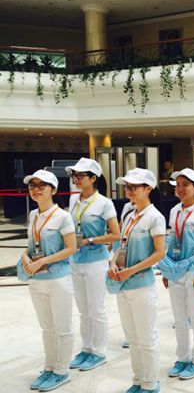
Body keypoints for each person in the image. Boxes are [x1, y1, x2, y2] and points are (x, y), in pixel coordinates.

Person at [107, 168, 166, 393]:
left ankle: (151, 384)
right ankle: (138, 379)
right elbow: (120, 246)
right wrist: (113, 263)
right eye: (128, 186)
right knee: (132, 337)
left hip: (141, 285)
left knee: (146, 337)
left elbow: (159, 253)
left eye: (134, 186)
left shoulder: (155, 217)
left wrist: (131, 270)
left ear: (148, 188)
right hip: (123, 284)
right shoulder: (130, 215)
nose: (129, 190)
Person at [18, 169, 77, 392]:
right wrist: (25, 257)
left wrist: (43, 261)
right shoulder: (33, 215)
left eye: (41, 186)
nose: (35, 190)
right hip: (36, 278)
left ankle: (62, 371)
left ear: (53, 190)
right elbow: (30, 246)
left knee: (62, 327)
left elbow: (71, 248)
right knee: (47, 327)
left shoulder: (62, 216)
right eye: (32, 186)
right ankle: (50, 367)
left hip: (58, 279)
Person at [65, 158, 120, 372]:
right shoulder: (73, 200)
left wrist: (90, 240)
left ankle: (98, 352)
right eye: (75, 175)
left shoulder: (104, 203)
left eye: (81, 175)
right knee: (83, 310)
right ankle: (86, 348)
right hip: (76, 261)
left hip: (96, 262)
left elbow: (115, 234)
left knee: (96, 309)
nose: (76, 179)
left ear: (93, 178)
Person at [160, 168, 194, 380]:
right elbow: (172, 240)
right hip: (175, 269)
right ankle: (183, 357)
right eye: (178, 185)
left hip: (193, 270)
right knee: (179, 319)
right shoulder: (174, 211)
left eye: (186, 185)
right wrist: (166, 271)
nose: (180, 189)